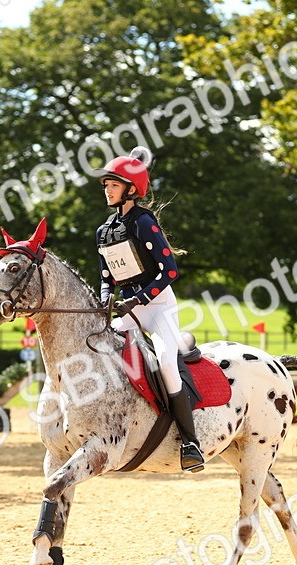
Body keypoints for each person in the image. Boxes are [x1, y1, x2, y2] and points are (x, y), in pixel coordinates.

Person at [96, 146, 204, 472]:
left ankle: (190, 442)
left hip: (158, 307)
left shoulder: (144, 222)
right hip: (128, 309)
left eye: (112, 185)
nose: (107, 190)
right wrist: (105, 300)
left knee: (166, 365)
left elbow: (169, 271)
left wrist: (138, 300)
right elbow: (105, 277)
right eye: (105, 185)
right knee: (99, 348)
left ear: (130, 189)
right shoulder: (103, 231)